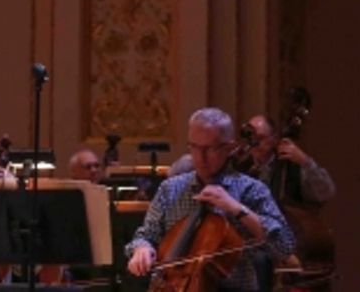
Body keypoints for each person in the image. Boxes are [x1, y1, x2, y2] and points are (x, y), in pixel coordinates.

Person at [126, 108, 294, 291]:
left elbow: (284, 246)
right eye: (194, 147)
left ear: (230, 148)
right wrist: (142, 249)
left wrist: (236, 208)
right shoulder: (170, 189)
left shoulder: (251, 190)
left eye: (210, 148)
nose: (201, 157)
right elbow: (146, 236)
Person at [245, 114, 336, 205]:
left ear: (274, 138)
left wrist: (305, 161)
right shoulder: (243, 166)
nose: (254, 143)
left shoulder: (292, 165)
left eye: (260, 138)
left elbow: (326, 192)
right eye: (250, 138)